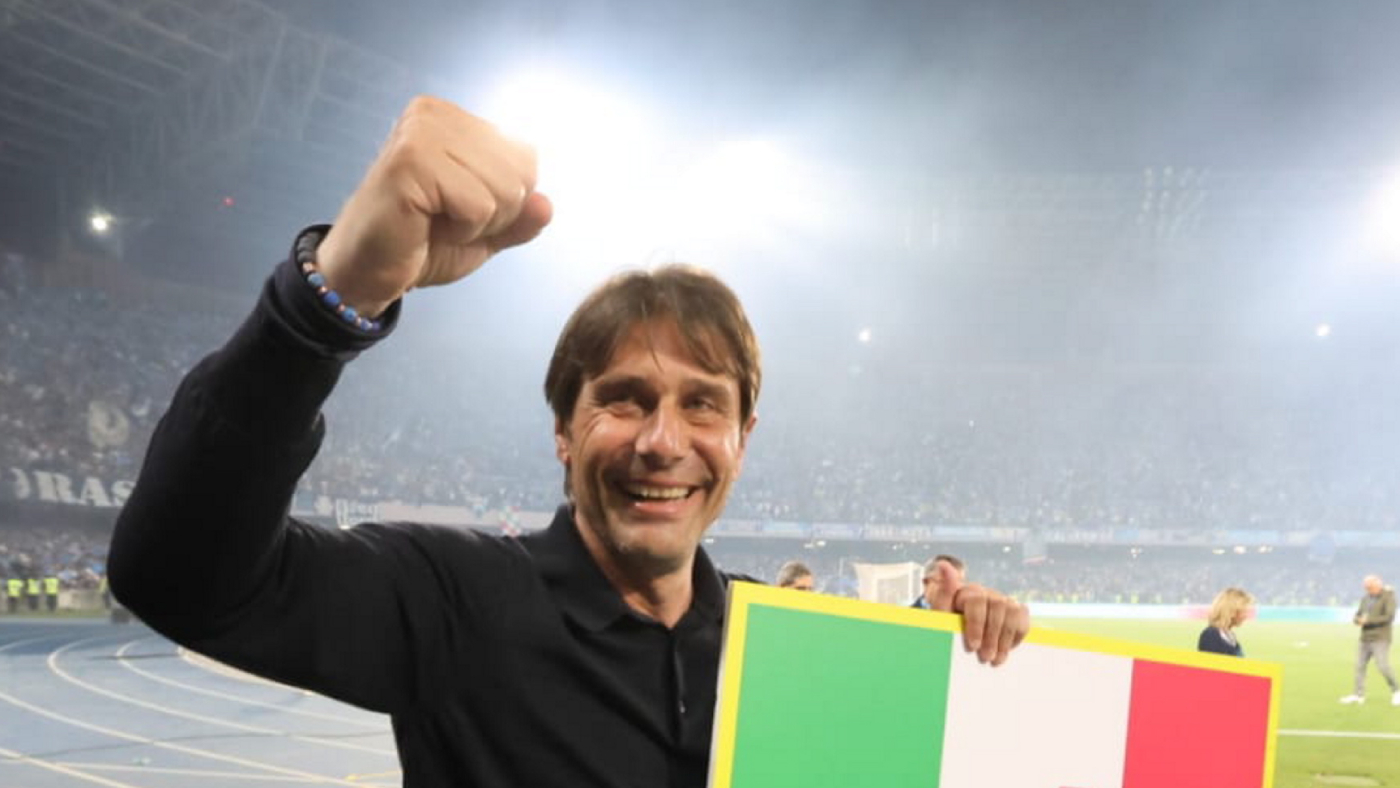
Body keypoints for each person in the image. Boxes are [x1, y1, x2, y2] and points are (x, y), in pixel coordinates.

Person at [108, 96, 1031, 788]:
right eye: (624, 400)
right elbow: (182, 579)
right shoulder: (455, 600)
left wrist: (975, 647)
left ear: (742, 439)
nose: (662, 442)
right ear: (563, 429)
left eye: (702, 406)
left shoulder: (787, 644)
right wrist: (334, 296)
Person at [1339, 574, 1399, 705]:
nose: (1368, 590)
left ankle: (1396, 691)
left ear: (1378, 585)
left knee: (1382, 666)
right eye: (1366, 588)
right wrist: (1357, 620)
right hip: (1365, 638)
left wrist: (1368, 621)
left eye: (1370, 587)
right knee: (1359, 666)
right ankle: (1358, 695)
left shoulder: (1388, 597)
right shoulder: (1365, 598)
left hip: (1380, 638)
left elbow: (1389, 617)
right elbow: (1358, 614)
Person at [1197, 587, 1252, 657]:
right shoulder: (1211, 635)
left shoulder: (1230, 636)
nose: (1246, 616)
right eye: (1244, 611)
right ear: (1232, 611)